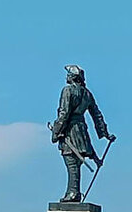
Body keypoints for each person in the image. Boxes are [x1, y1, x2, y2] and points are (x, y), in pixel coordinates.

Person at [49, 65, 115, 203]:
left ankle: (73, 192)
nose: (66, 76)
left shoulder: (68, 91)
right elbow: (96, 115)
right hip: (82, 130)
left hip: (71, 130)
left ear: (73, 77)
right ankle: (74, 191)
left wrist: (56, 132)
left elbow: (64, 113)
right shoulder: (87, 93)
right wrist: (104, 132)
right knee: (75, 163)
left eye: (68, 74)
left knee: (72, 162)